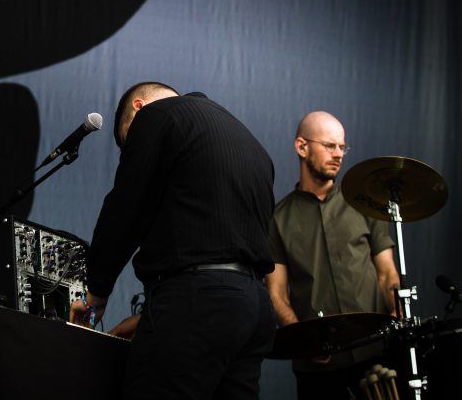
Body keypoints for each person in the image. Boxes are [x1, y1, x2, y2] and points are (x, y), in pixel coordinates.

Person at [69, 82, 277, 400]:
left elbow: (125, 208)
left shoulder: (155, 116)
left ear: (139, 107)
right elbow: (219, 249)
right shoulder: (249, 142)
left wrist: (95, 294)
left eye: (129, 143)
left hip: (198, 304)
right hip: (254, 309)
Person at [264, 111, 401, 400]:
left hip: (375, 354)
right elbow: (276, 293)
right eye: (329, 146)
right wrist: (303, 341)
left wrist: (396, 312)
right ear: (302, 147)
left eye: (342, 147)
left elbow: (387, 273)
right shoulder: (277, 219)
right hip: (317, 368)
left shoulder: (366, 205)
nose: (338, 154)